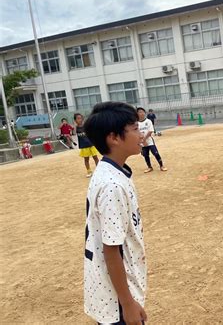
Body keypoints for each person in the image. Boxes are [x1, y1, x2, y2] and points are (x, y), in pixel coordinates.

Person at [83, 102, 147, 325]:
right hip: (117, 298)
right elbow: (111, 250)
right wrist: (128, 304)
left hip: (116, 290)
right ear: (114, 138)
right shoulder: (112, 186)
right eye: (135, 129)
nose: (141, 134)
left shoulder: (111, 171)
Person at [137, 107, 167, 173]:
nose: (141, 113)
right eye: (139, 112)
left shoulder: (148, 121)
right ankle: (149, 167)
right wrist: (142, 141)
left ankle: (161, 166)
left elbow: (150, 131)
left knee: (156, 153)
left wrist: (144, 139)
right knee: (145, 155)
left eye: (142, 112)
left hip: (149, 141)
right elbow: (136, 133)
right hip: (142, 142)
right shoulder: (136, 123)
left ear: (144, 113)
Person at [74, 113, 100, 178]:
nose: (80, 119)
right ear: (75, 120)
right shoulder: (76, 128)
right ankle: (89, 171)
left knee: (95, 158)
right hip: (84, 146)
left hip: (91, 144)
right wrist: (74, 126)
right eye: (78, 118)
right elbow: (73, 133)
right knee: (86, 159)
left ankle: (99, 170)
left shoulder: (86, 126)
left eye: (80, 118)